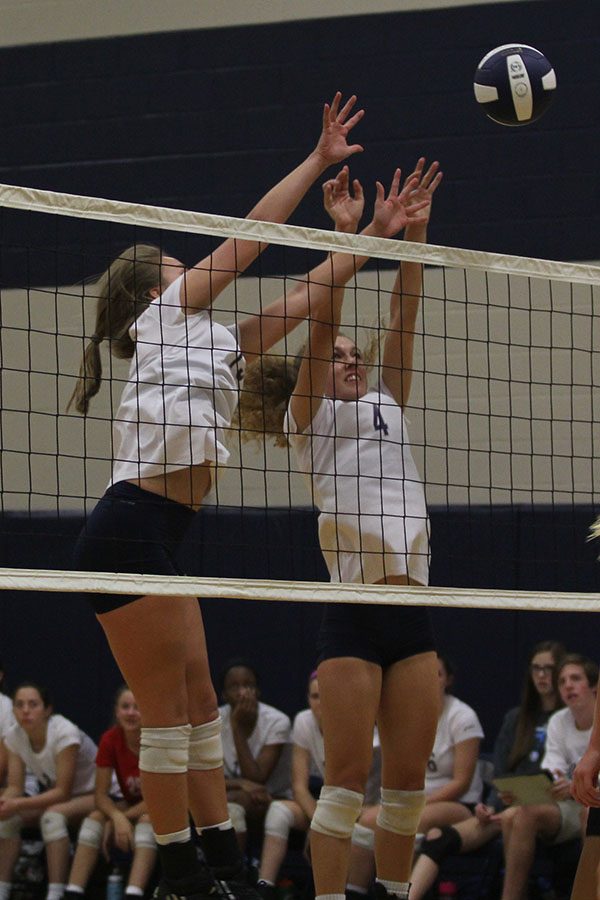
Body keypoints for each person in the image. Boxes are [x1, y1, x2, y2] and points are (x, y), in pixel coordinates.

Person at [67, 91, 407, 900]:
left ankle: (220, 864)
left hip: (158, 534)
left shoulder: (212, 341)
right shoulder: (163, 323)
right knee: (168, 711)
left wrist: (362, 237)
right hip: (127, 529)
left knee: (197, 706)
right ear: (155, 294)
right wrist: (318, 161)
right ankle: (184, 873)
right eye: (181, 268)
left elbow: (308, 296)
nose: (193, 273)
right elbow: (250, 241)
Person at [240, 156, 443, 900]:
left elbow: (402, 315)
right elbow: (324, 322)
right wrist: (349, 235)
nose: (351, 361)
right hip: (353, 613)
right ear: (319, 372)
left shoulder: (389, 400)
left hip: (414, 607)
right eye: (341, 358)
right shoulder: (310, 420)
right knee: (347, 781)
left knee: (410, 785)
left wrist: (413, 237)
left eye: (358, 357)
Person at [408, 639, 566, 900]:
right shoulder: (516, 718)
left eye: (548, 669)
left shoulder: (565, 719)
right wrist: (489, 807)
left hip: (548, 806)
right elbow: (500, 774)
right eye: (536, 668)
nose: (541, 675)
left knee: (518, 816)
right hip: (505, 808)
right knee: (437, 837)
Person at [256, 671, 380, 900]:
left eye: (327, 696)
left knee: (363, 829)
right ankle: (264, 890)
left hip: (367, 806)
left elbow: (358, 790)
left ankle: (353, 894)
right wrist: (319, 825)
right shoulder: (304, 721)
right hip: (330, 806)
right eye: (315, 696)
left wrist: (324, 828)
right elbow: (299, 787)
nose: (320, 703)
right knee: (279, 812)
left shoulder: (364, 727)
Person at [494, 653, 597, 900]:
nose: (568, 686)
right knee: (516, 814)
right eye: (562, 681)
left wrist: (576, 785)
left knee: (589, 813)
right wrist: (554, 786)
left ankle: (589, 891)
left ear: (595, 687)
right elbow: (553, 771)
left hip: (591, 803)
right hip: (567, 804)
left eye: (575, 678)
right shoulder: (558, 722)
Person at [0, 683, 97, 900]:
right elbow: (15, 787)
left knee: (51, 818)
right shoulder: (14, 736)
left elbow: (63, 792)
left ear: (47, 709)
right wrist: (5, 804)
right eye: (20, 705)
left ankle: (56, 894)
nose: (26, 710)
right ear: (13, 710)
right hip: (66, 798)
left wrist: (16, 804)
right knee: (7, 819)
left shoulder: (64, 733)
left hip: (98, 795)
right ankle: (2, 890)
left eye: (33, 704)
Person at [65, 686, 156, 900]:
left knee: (146, 820)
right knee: (95, 817)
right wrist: (116, 817)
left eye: (138, 707)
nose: (131, 713)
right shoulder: (110, 739)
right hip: (132, 803)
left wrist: (120, 819)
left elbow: (160, 800)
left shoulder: (156, 741)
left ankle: (134, 893)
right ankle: (73, 892)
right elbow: (100, 796)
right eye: (125, 707)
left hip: (162, 807)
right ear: (116, 712)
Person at [218, 661, 291, 851]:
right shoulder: (214, 720)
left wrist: (237, 728)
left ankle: (233, 874)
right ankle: (227, 874)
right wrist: (240, 783)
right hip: (228, 792)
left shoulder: (277, 721)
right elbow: (198, 778)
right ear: (223, 695)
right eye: (234, 687)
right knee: (224, 802)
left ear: (257, 691)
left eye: (248, 685)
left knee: (243, 801)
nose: (242, 692)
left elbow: (256, 778)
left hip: (271, 796)